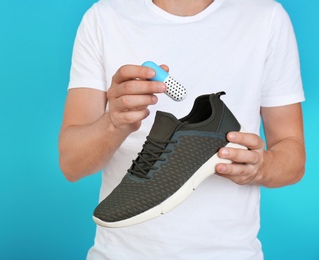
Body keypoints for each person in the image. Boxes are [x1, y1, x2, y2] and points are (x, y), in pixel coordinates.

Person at [59, 0, 306, 259]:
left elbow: (294, 159)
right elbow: (72, 165)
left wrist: (261, 166)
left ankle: (205, 135)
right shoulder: (103, 17)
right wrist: (114, 123)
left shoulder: (266, 17)